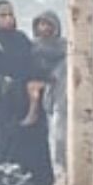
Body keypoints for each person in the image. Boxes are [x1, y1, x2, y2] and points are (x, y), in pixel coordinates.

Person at [0, 0, 54, 185]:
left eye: (10, 14)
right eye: (2, 15)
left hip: (28, 101)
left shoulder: (21, 39)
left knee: (34, 145)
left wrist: (36, 82)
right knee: (8, 147)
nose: (8, 19)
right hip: (4, 106)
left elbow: (33, 65)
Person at [29, 11, 68, 166]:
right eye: (41, 24)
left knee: (61, 133)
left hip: (61, 94)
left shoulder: (65, 46)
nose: (44, 28)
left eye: (48, 24)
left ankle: (62, 162)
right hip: (38, 95)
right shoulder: (32, 47)